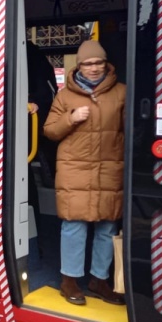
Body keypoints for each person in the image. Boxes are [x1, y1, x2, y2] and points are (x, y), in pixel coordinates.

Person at [43, 39, 126, 307]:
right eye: (87, 64)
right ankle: (69, 281)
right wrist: (71, 118)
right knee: (74, 226)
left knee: (107, 226)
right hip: (74, 170)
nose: (93, 68)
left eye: (98, 62)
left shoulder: (122, 92)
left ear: (106, 64)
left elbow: (134, 130)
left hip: (110, 168)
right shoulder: (65, 96)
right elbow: (50, 131)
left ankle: (99, 280)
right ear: (79, 66)